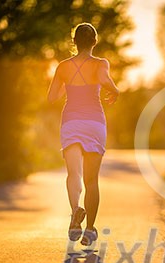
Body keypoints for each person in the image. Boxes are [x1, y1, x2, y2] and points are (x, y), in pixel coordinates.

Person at [47, 22, 119, 245]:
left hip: (70, 122)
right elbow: (106, 81)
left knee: (73, 174)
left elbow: (52, 97)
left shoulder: (62, 67)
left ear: (74, 42)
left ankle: (76, 210)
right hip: (95, 123)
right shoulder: (100, 63)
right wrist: (115, 91)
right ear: (95, 42)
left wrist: (67, 83)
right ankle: (89, 231)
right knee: (91, 180)